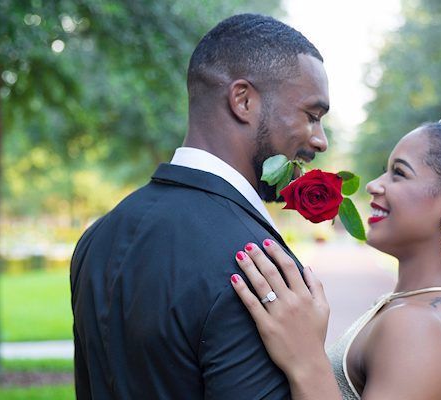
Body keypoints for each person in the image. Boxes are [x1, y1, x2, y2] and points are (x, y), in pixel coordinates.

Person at [230, 97, 441, 399]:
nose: (375, 185)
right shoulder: (434, 307)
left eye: (399, 174)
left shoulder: (419, 326)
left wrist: (305, 358)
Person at [70, 14, 329, 399]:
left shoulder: (97, 237)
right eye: (312, 116)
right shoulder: (257, 269)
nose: (320, 140)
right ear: (243, 100)